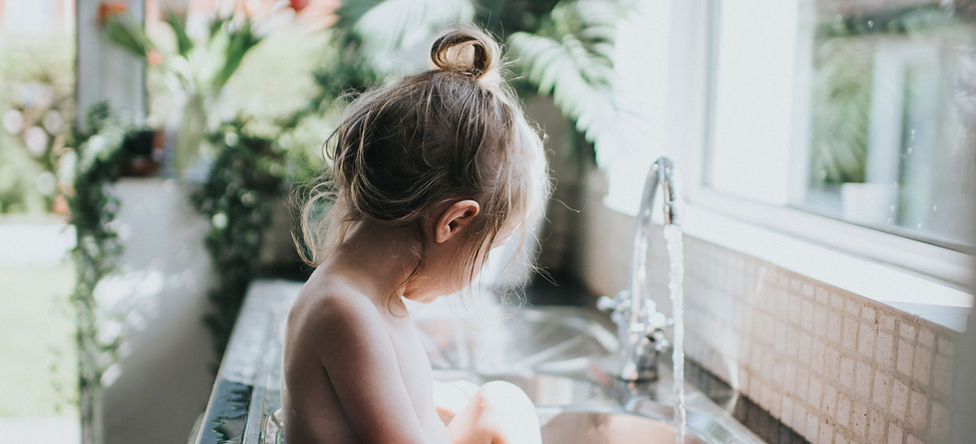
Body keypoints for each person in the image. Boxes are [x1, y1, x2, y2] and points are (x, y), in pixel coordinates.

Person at [281, 27, 551, 444]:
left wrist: (442, 398)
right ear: (453, 222)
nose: (483, 267)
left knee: (498, 403)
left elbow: (387, 400)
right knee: (503, 404)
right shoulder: (345, 312)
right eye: (491, 248)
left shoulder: (367, 298)